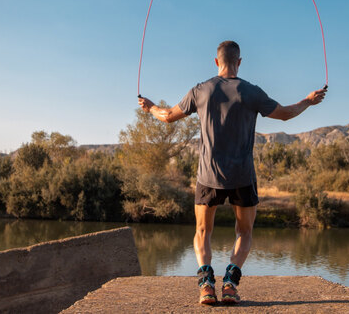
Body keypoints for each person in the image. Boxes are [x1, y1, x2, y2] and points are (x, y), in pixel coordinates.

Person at [138, 40, 326, 305]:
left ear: (216, 62)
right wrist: (308, 101)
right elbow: (285, 114)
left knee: (203, 232)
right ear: (239, 62)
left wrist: (150, 108)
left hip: (208, 176)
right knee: (245, 232)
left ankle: (206, 286)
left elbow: (168, 116)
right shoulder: (252, 92)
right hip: (242, 177)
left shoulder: (200, 90)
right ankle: (229, 283)